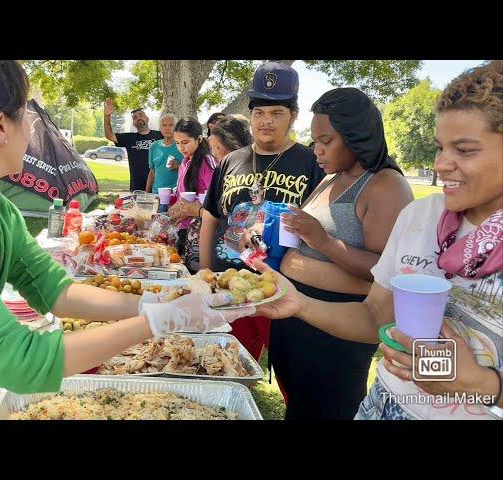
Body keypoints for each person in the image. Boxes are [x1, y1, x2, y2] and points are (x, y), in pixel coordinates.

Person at [0, 61, 254, 419]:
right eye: (27, 116)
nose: (32, 128)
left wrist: (153, 302)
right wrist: (157, 321)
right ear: (1, 126)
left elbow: (56, 290)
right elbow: (16, 361)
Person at [254, 60, 503, 420]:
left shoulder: (385, 186)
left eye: (464, 150)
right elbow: (376, 318)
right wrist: (298, 304)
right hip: (381, 408)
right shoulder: (423, 216)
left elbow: (458, 379)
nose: (441, 165)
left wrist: (485, 385)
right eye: (439, 148)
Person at [270, 87, 413, 420]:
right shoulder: (331, 177)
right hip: (297, 315)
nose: (317, 150)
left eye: (326, 141)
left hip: (337, 331)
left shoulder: (385, 185)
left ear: (355, 135)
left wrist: (322, 241)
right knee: (299, 407)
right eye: (314, 141)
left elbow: (386, 271)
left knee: (329, 409)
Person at [200, 62, 325, 372]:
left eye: (277, 113)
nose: (266, 121)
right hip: (228, 289)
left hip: (283, 290)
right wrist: (203, 275)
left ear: (294, 115)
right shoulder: (231, 160)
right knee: (222, 369)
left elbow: (321, 230)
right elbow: (211, 218)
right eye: (259, 113)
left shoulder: (312, 163)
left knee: (294, 379)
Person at [167, 118, 216, 272]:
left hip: (201, 230)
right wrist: (175, 206)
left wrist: (193, 209)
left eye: (185, 142)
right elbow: (183, 193)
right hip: (184, 227)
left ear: (199, 139)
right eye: (177, 142)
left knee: (198, 275)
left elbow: (214, 197)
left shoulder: (207, 161)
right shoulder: (185, 161)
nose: (181, 147)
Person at [103, 100, 162, 192]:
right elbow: (109, 135)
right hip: (137, 187)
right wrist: (107, 116)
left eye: (140, 115)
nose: (138, 118)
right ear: (133, 123)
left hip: (158, 186)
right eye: (135, 117)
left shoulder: (160, 136)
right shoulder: (129, 138)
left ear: (147, 118)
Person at [146, 113, 182, 194]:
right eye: (164, 125)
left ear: (176, 128)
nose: (167, 128)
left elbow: (191, 171)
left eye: (171, 125)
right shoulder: (154, 146)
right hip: (156, 193)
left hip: (175, 194)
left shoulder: (181, 146)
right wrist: (147, 193)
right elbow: (152, 171)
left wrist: (179, 167)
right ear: (160, 128)